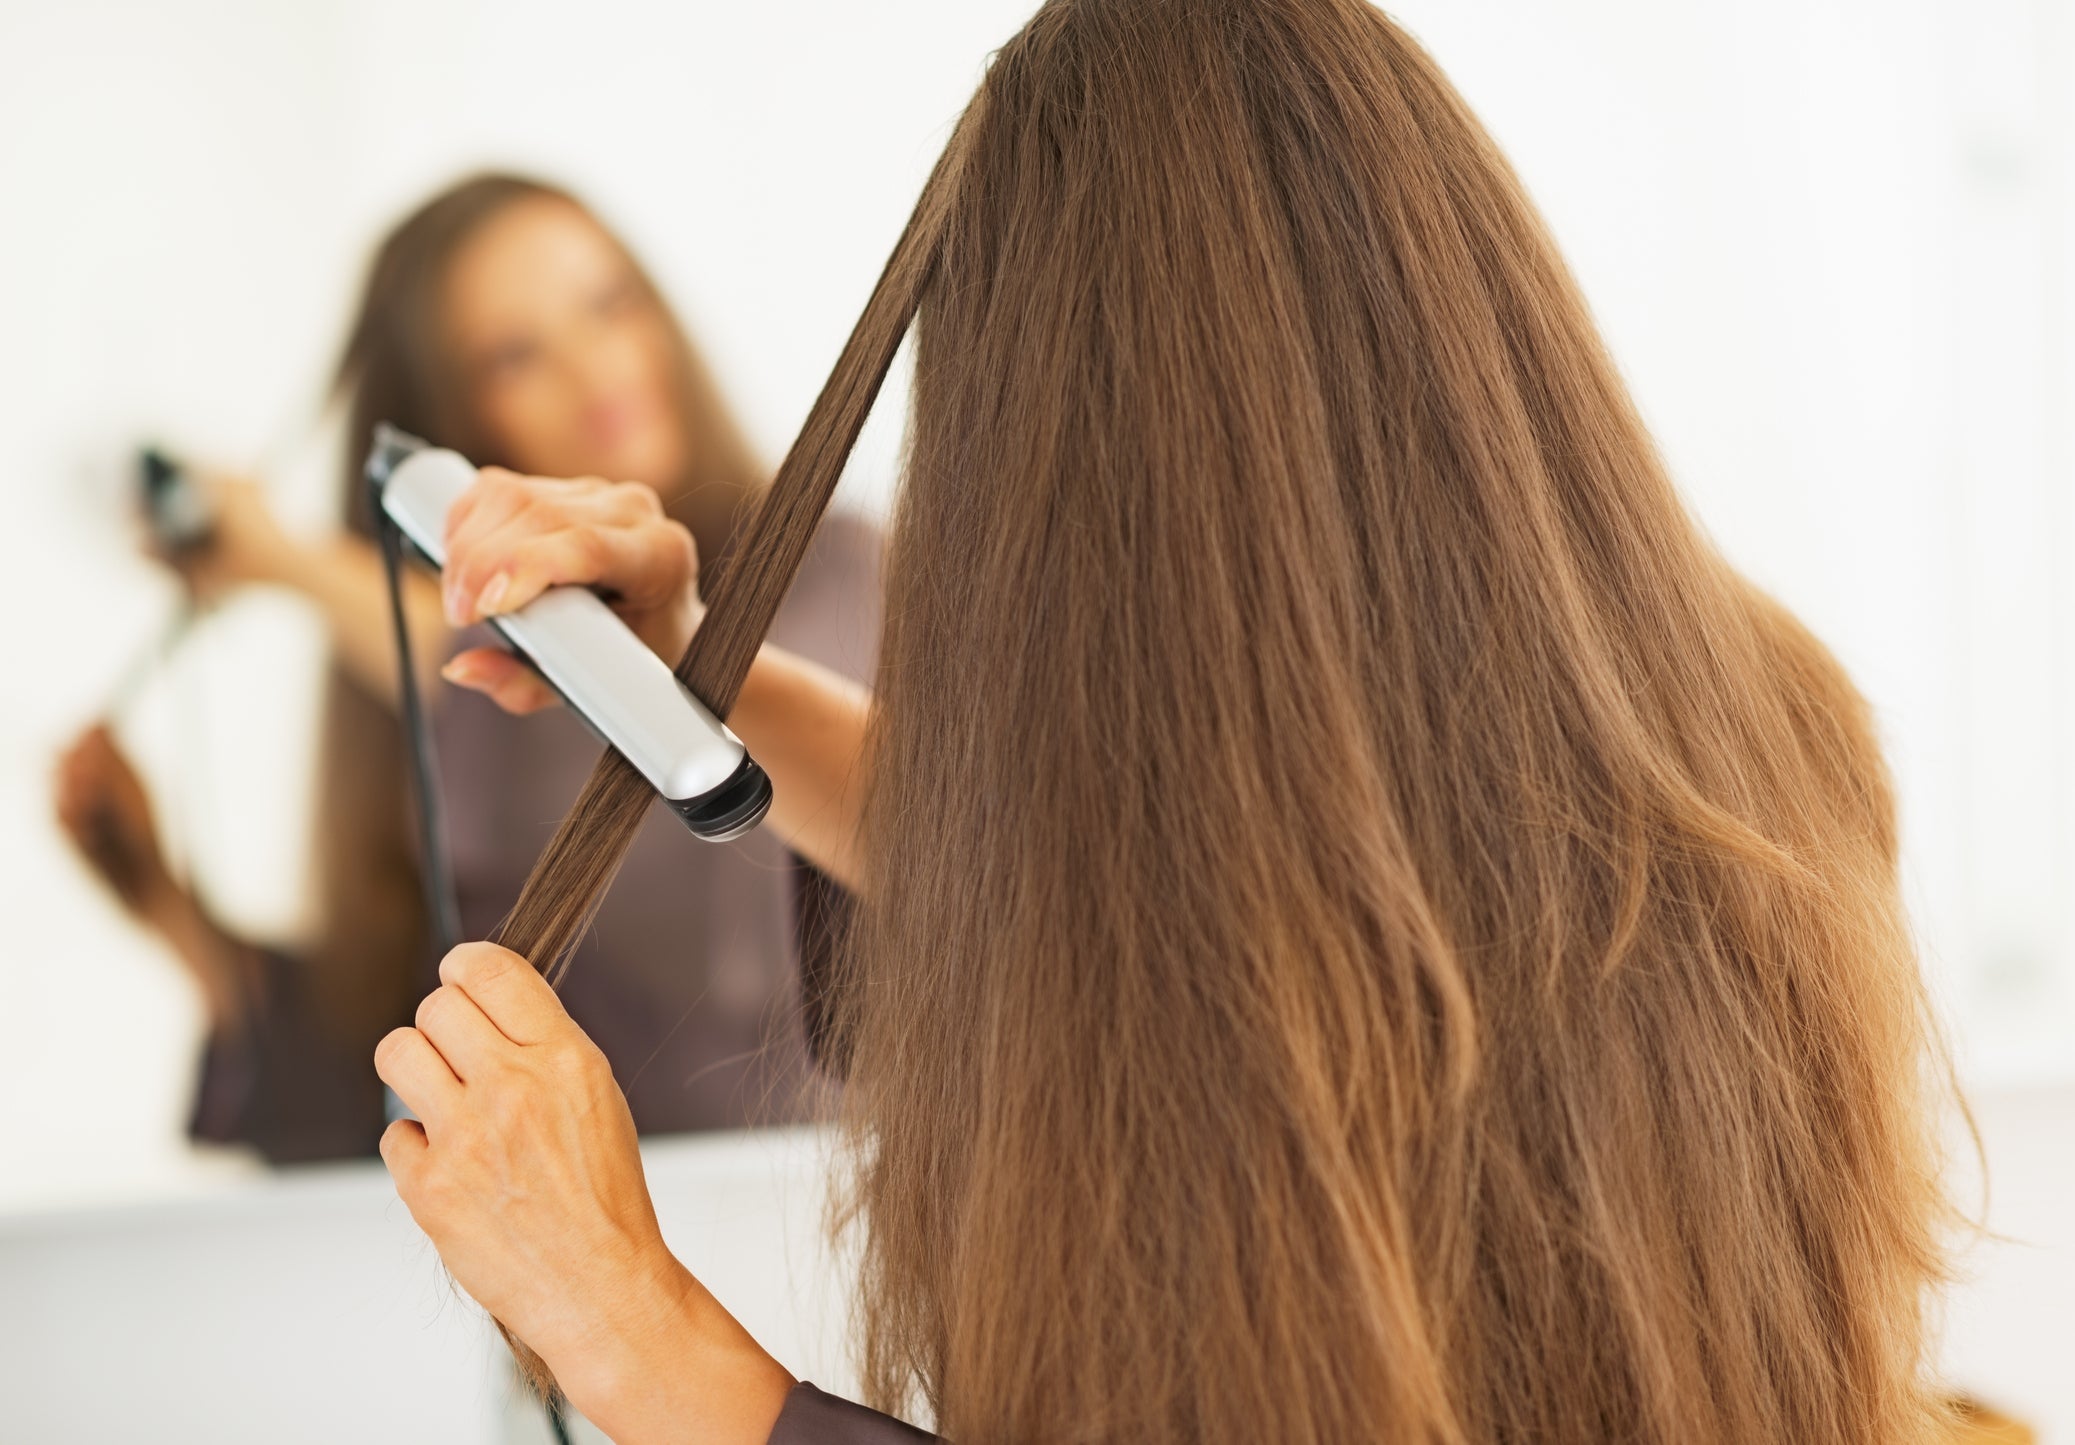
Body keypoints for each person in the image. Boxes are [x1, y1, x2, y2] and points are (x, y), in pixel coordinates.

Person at [367, 4, 1954, 1442]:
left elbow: (1180, 935)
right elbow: (1139, 893)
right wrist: (705, 669)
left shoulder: (1286, 1011)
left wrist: (631, 1325)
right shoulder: (1760, 731)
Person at [52, 174, 879, 1161]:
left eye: (608, 304)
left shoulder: (839, 571)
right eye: (514, 354)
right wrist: (170, 912)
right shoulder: (444, 720)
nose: (593, 367)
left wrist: (283, 558)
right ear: (452, 426)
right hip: (602, 1267)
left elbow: (664, 751)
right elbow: (386, 1091)